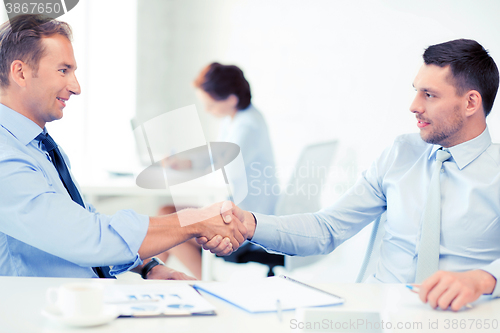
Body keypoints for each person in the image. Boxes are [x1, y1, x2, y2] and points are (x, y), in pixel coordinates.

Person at [202, 38, 500, 311]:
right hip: (376, 316)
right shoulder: (400, 154)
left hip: (465, 318)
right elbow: (327, 228)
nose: (414, 106)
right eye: (416, 91)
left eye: (430, 94)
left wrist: (483, 279)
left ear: (471, 102)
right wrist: (251, 224)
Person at [0, 15, 246, 280]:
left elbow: (83, 219)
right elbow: (89, 238)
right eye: (63, 70)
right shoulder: (6, 157)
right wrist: (194, 221)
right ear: (21, 72)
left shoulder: (40, 147)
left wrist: (149, 267)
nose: (76, 87)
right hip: (47, 314)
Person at [159, 63, 280, 279]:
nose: (207, 110)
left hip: (246, 219)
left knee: (170, 222)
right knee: (168, 216)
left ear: (231, 99)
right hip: (239, 207)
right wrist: (186, 162)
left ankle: (207, 285)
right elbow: (218, 155)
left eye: (211, 105)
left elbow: (226, 174)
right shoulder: (239, 117)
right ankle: (155, 285)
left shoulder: (246, 127)